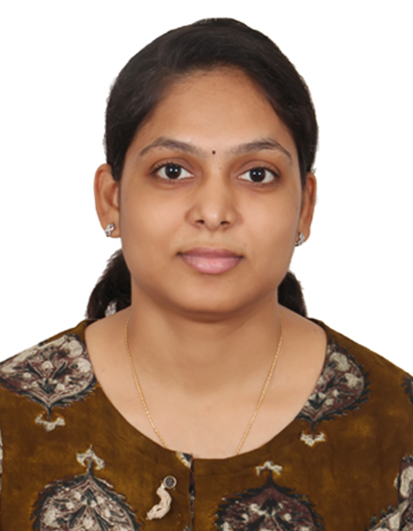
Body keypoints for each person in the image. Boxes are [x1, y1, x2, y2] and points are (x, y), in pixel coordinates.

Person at [0, 18, 412, 531]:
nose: (214, 211)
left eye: (257, 174)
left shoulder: (398, 430)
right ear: (112, 199)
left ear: (305, 206)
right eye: (173, 170)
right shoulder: (12, 421)